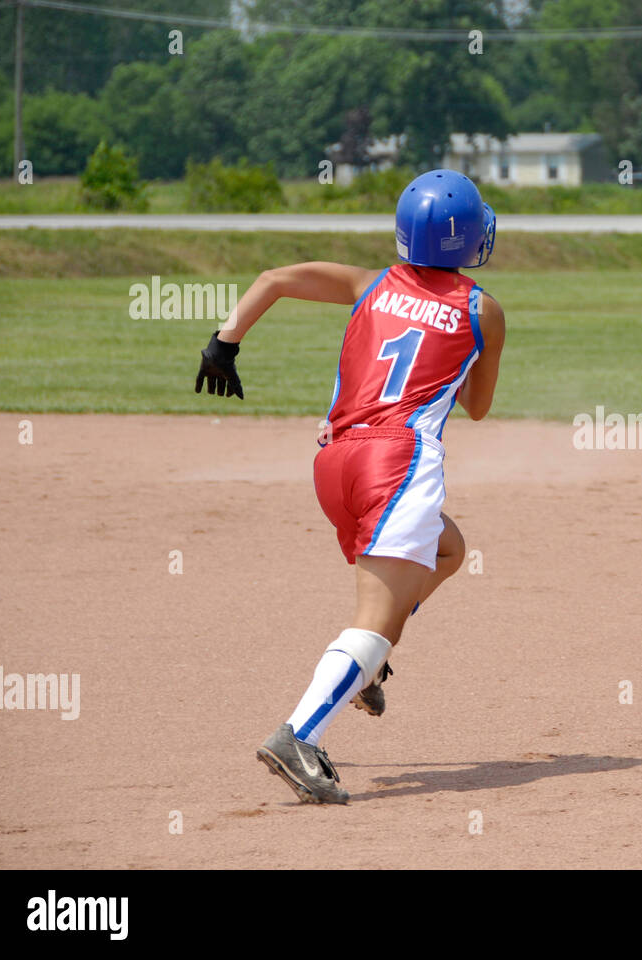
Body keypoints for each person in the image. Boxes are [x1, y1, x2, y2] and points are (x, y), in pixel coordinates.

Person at [194, 169, 504, 804]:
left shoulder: (368, 283)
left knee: (448, 551)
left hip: (335, 460)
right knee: (374, 619)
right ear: (470, 239)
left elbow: (274, 280)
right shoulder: (481, 309)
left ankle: (367, 665)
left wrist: (223, 346)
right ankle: (300, 736)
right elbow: (476, 407)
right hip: (398, 463)